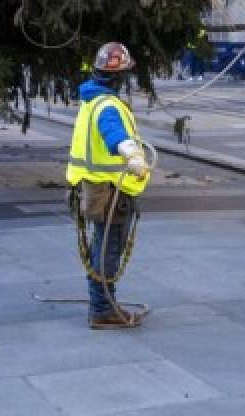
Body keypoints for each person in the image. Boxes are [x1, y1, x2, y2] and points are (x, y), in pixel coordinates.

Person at [67, 42, 151, 329]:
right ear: (119, 77)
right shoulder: (107, 106)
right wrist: (133, 157)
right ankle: (103, 310)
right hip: (111, 192)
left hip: (96, 190)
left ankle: (101, 304)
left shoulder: (91, 99)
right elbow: (113, 134)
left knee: (101, 247)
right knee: (108, 250)